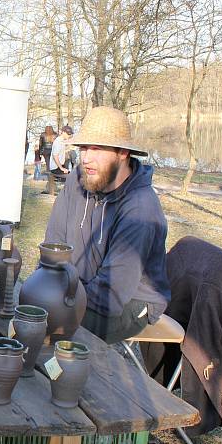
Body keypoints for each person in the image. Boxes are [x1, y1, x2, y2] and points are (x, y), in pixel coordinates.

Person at [45, 106, 170, 344]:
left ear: (122, 152)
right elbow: (54, 245)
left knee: (54, 325)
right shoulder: (78, 179)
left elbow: (110, 295)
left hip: (128, 302)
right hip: (78, 288)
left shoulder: (140, 209)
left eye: (97, 148)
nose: (86, 158)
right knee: (27, 307)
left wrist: (59, 299)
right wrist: (48, 285)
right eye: (83, 148)